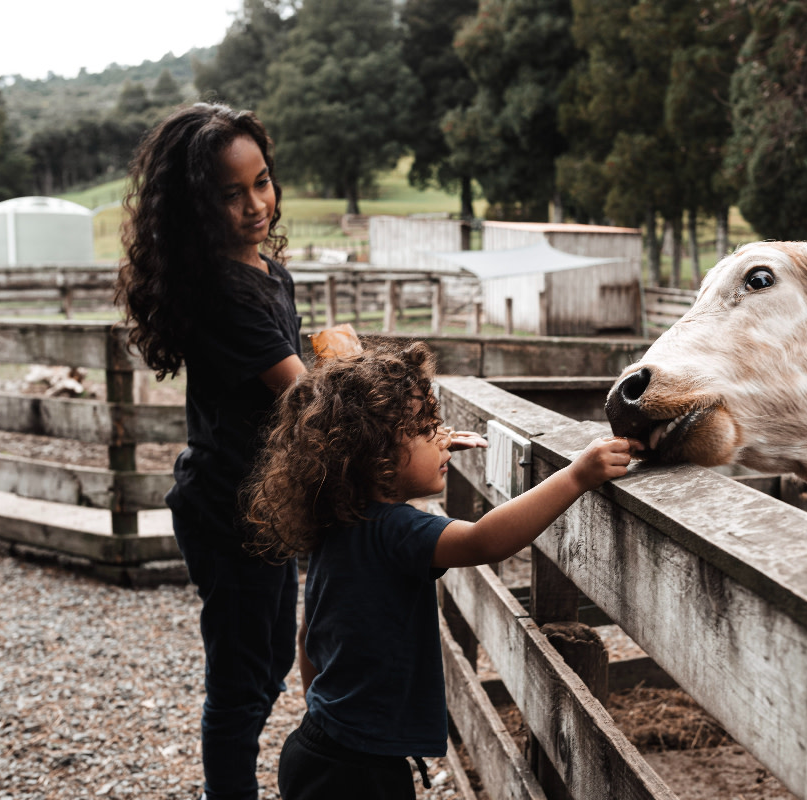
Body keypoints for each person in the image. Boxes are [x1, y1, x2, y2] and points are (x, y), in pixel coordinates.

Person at [246, 342, 641, 799]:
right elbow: (484, 540)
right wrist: (576, 475)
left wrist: (425, 447)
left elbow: (306, 637)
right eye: (426, 429)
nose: (441, 436)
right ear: (376, 454)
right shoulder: (398, 530)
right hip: (362, 771)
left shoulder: (339, 521)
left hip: (319, 744)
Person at [114, 102, 307, 800]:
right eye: (231, 193)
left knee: (269, 660)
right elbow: (301, 393)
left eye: (261, 181)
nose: (255, 203)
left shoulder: (266, 275)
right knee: (239, 684)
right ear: (198, 205)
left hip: (267, 501)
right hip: (229, 507)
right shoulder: (222, 294)